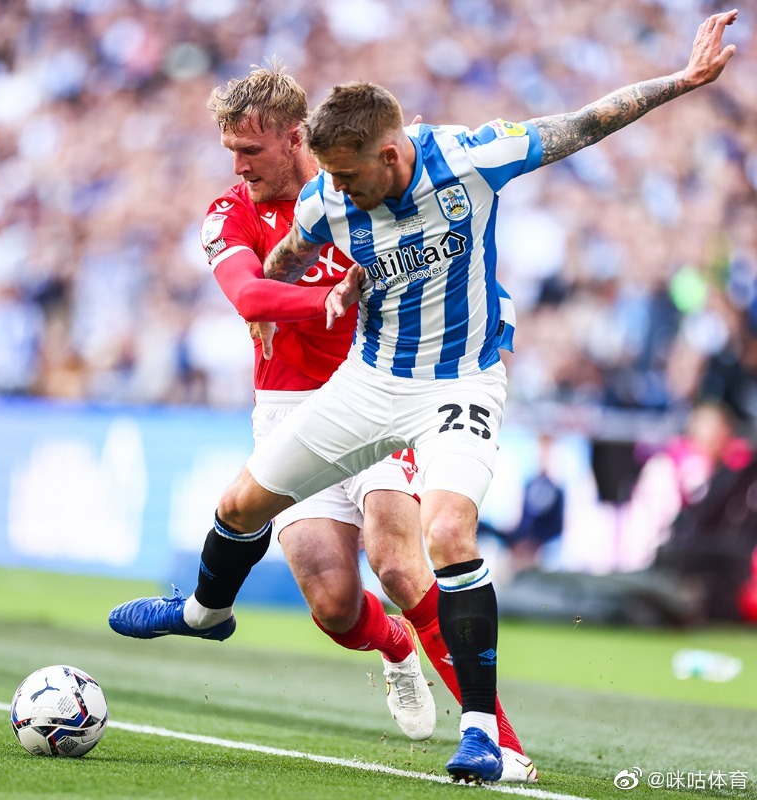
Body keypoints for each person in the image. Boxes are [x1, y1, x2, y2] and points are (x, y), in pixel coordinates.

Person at [113, 10, 737, 783]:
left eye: (346, 177)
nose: (338, 191)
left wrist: (681, 80)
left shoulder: (469, 159)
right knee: (259, 526)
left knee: (429, 547)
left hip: (456, 386)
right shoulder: (317, 200)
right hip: (363, 384)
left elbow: (582, 124)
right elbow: (279, 262)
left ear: (386, 152)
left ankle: (490, 738)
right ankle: (209, 614)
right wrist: (286, 298)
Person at [109, 62, 536, 782]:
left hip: (382, 391)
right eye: (231, 153)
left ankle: (501, 742)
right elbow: (249, 294)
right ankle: (393, 646)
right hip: (289, 406)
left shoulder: (360, 187)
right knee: (335, 604)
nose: (239, 167)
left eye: (251, 151)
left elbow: (447, 253)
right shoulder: (229, 214)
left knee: (400, 564)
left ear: (295, 138)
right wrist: (328, 298)